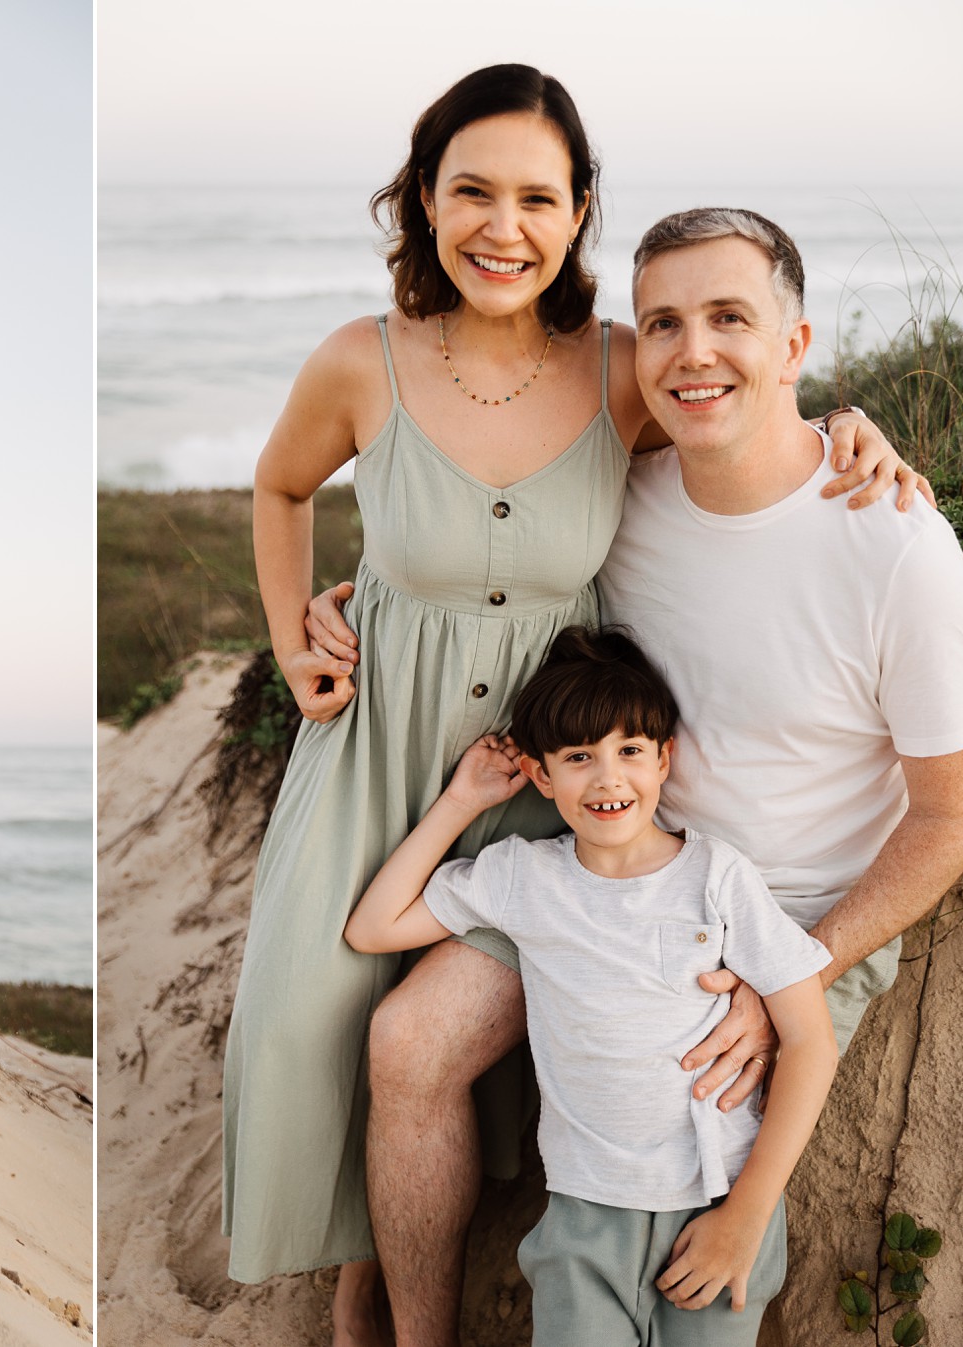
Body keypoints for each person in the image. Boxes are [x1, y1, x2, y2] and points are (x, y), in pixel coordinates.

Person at [221, 64, 920, 1347]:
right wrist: (292, 640)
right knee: (303, 1024)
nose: (504, 226)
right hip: (381, 760)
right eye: (471, 190)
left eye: (539, 197)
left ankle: (388, 1292)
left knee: (421, 1041)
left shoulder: (616, 371)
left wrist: (853, 428)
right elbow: (276, 491)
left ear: (580, 210)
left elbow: (740, 406)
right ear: (422, 202)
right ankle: (365, 1290)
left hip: (549, 798)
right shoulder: (357, 363)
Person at [344, 626, 839, 1344]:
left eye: (629, 751)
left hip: (718, 1201)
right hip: (583, 1217)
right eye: (579, 757)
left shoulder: (717, 877)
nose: (608, 778)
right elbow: (373, 926)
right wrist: (461, 801)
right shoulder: (525, 877)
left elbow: (809, 1040)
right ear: (543, 776)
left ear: (664, 759)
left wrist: (748, 1213)